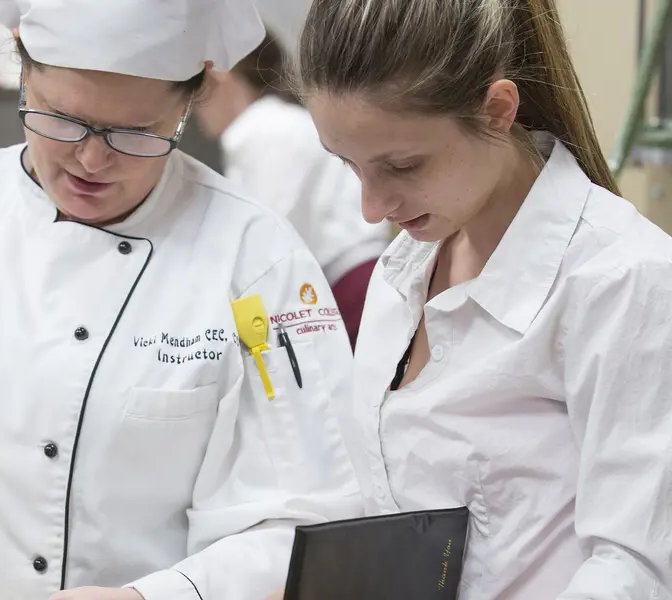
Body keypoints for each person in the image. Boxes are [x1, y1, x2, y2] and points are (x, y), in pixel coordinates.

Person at [0, 1, 365, 599]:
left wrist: (154, 597)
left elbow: (304, 520)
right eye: (62, 119)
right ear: (23, 72)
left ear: (191, 101)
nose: (91, 159)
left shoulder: (255, 260)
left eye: (135, 133)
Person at [277, 0, 672, 597]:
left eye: (402, 165)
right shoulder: (402, 270)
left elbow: (637, 569)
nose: (371, 207)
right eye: (350, 166)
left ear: (497, 111)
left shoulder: (623, 281)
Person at [194, 32, 391, 350]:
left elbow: (265, 240)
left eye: (195, 89)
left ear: (221, 77)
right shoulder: (272, 127)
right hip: (349, 285)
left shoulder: (266, 131)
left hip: (351, 289)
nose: (193, 107)